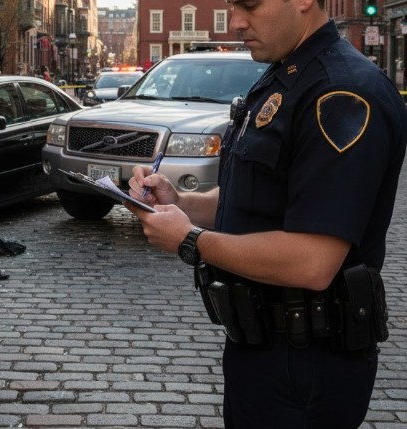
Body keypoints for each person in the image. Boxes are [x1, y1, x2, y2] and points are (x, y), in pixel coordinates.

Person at [124, 0, 407, 428]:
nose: (236, 22)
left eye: (250, 6)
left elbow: (312, 262)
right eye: (232, 6)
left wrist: (189, 239)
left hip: (308, 360)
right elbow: (254, 199)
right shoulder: (287, 74)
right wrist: (180, 203)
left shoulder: (341, 94)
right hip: (261, 348)